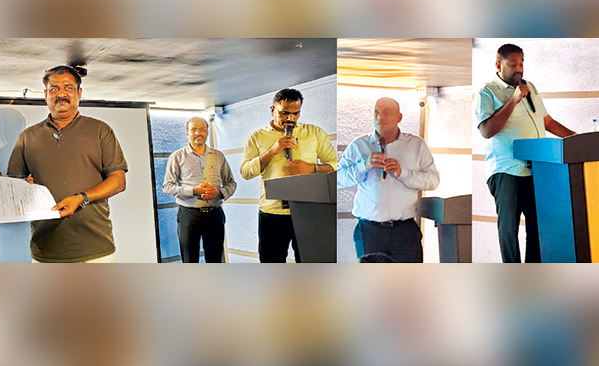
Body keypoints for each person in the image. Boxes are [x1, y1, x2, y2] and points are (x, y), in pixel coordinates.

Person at [8, 65, 128, 263]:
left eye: (68, 87)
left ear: (79, 93)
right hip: (46, 250)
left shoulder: (101, 130)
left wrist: (81, 198)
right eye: (54, 88)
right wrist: (20, 187)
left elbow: (119, 181)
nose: (61, 94)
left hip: (97, 250)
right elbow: (14, 186)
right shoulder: (27, 137)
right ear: (45, 95)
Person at [475, 43, 575, 263]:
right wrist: (514, 100)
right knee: (509, 230)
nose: (519, 69)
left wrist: (576, 138)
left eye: (521, 63)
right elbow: (487, 131)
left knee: (538, 227)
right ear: (499, 65)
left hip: (536, 168)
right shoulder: (487, 92)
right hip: (506, 170)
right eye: (513, 64)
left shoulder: (529, 87)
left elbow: (547, 122)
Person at [337, 97, 439, 263]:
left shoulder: (416, 145)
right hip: (369, 231)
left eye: (386, 112)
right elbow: (338, 179)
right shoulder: (358, 146)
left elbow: (433, 180)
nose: (380, 116)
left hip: (404, 230)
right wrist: (363, 165)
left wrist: (403, 172)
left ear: (399, 117)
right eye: (376, 112)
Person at [240, 88, 337, 263]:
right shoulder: (257, 137)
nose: (290, 118)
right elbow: (245, 172)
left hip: (309, 210)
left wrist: (312, 168)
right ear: (273, 110)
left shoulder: (315, 133)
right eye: (284, 113)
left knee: (311, 263)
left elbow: (336, 165)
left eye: (296, 113)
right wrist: (272, 150)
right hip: (272, 212)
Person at [163, 117, 237, 263]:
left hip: (214, 214)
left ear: (207, 132)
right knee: (190, 260)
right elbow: (167, 187)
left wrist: (219, 193)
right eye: (194, 130)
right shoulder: (177, 157)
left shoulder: (218, 156)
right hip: (188, 215)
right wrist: (193, 191)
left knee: (215, 260)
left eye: (202, 129)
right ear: (187, 133)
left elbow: (231, 183)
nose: (198, 133)